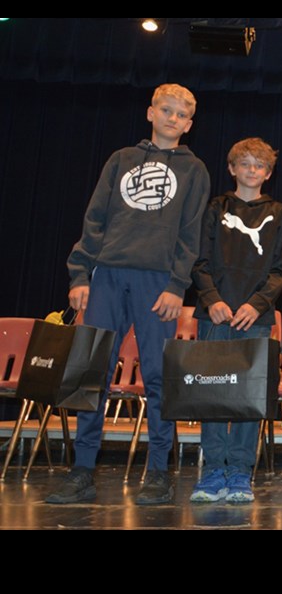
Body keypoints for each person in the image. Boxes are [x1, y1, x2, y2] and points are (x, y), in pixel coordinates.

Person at [49, 84, 210, 505]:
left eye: (181, 114)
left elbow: (191, 234)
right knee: (92, 371)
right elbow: (95, 218)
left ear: (190, 124)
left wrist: (178, 285)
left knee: (158, 376)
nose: (173, 118)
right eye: (166, 110)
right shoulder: (122, 159)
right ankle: (82, 469)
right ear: (150, 112)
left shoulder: (195, 171)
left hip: (158, 283)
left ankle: (158, 472)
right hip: (106, 276)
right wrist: (80, 274)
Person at [189, 138, 282, 503]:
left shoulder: (278, 212)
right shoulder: (216, 207)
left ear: (268, 172)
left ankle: (240, 472)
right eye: (244, 164)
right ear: (232, 169)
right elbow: (199, 261)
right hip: (214, 316)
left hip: (255, 319)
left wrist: (257, 305)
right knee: (213, 393)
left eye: (259, 165)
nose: (251, 170)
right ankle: (214, 469)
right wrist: (212, 299)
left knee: (249, 397)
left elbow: (281, 270)